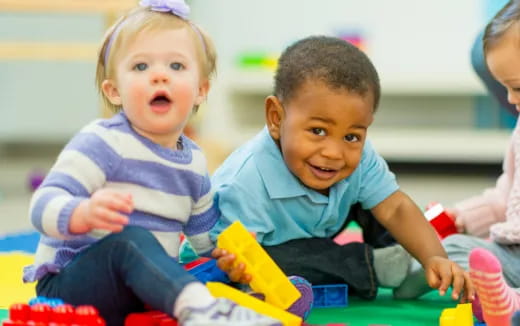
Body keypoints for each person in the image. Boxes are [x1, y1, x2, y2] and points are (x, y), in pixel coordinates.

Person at [22, 1, 282, 325]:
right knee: (132, 241)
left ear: (201, 90)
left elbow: (205, 241)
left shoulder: (194, 162)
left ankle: (223, 305)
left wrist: (229, 256)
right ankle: (202, 309)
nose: (159, 76)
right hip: (70, 288)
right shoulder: (103, 141)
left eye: (176, 66)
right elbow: (41, 205)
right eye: (141, 67)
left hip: (140, 290)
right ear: (114, 91)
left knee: (213, 270)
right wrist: (81, 213)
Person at [208, 35, 474, 302]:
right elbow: (231, 262)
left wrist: (434, 257)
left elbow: (395, 208)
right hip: (272, 245)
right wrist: (238, 269)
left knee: (378, 198)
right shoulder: (244, 184)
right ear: (276, 118)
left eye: (351, 136)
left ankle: (408, 265)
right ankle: (377, 266)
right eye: (318, 131)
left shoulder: (358, 158)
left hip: (325, 221)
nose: (334, 153)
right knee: (279, 264)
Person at [393, 1, 520, 324]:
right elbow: (505, 198)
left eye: (516, 87)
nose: (510, 100)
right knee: (453, 247)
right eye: (504, 88)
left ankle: (507, 302)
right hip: (511, 254)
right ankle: (394, 268)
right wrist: (461, 216)